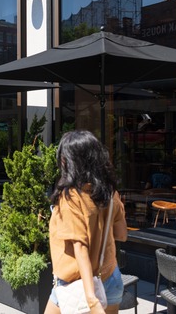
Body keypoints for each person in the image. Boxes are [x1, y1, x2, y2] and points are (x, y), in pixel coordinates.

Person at [45, 130, 128, 314]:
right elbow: (122, 234)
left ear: (69, 161)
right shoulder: (110, 193)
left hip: (77, 284)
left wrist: (91, 300)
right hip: (109, 275)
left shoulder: (71, 197)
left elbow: (79, 248)